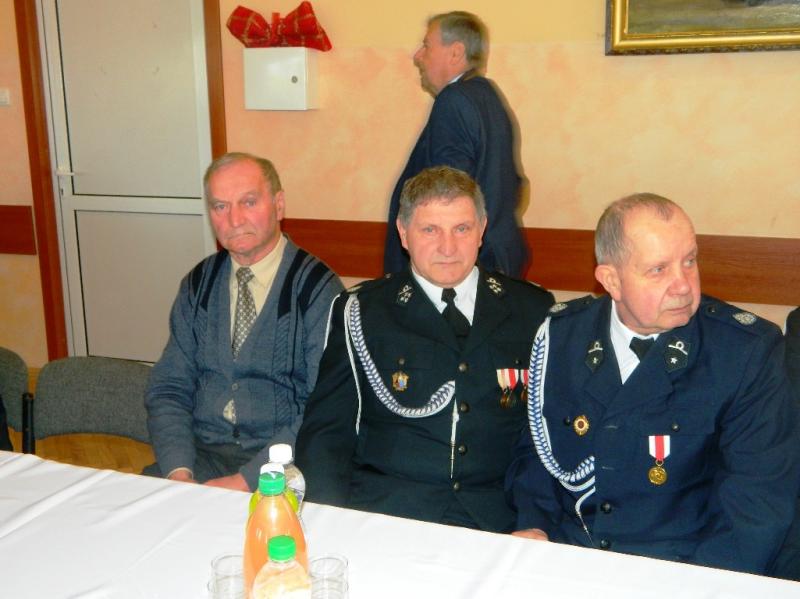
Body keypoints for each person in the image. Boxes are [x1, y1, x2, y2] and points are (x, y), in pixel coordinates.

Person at [506, 193, 800, 575]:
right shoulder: (563, 335)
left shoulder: (744, 352)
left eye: (689, 261)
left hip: (686, 569)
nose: (683, 285)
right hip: (570, 556)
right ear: (611, 280)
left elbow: (757, 501)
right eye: (658, 269)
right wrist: (535, 525)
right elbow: (537, 451)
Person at [296, 166, 553, 532]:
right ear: (403, 234)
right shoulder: (364, 312)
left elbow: (544, 439)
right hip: (388, 515)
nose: (448, 247)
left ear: (482, 229)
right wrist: (325, 526)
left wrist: (535, 522)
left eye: (461, 229)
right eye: (430, 230)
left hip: (497, 519)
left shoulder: (532, 310)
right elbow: (327, 434)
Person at [144, 152, 343, 491]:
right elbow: (168, 388)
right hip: (200, 457)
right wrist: (179, 472)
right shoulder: (198, 285)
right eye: (220, 206)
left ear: (279, 205)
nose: (234, 219)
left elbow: (324, 408)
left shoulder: (318, 291)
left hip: (288, 464)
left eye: (248, 202)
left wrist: (245, 480)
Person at [383, 11, 527, 277]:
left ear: (456, 52)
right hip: (496, 259)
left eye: (427, 45)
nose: (417, 56)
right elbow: (516, 185)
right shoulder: (488, 96)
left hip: (458, 268)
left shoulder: (453, 100)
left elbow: (446, 199)